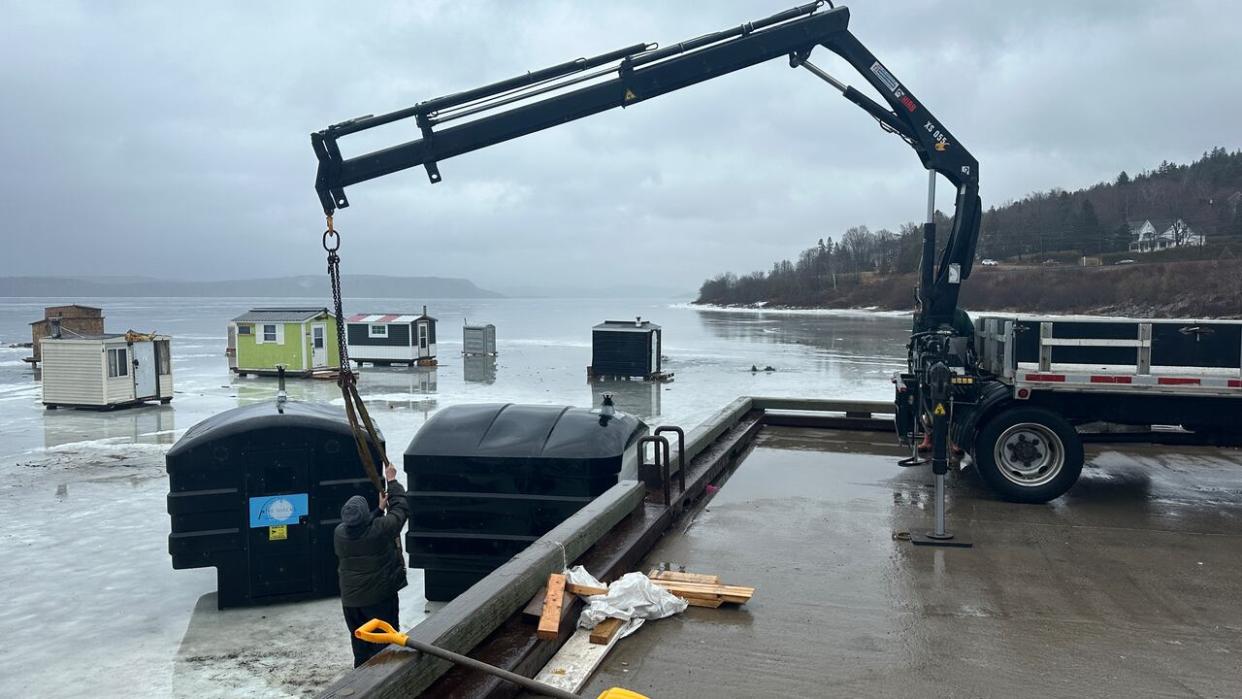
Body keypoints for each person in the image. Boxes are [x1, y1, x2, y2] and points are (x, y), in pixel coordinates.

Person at [335, 463, 410, 667]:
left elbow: (362, 529)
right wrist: (392, 481)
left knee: (361, 646)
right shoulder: (379, 530)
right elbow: (401, 510)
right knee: (385, 644)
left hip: (351, 602)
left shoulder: (340, 533)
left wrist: (378, 510)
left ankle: (361, 685)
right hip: (377, 599)